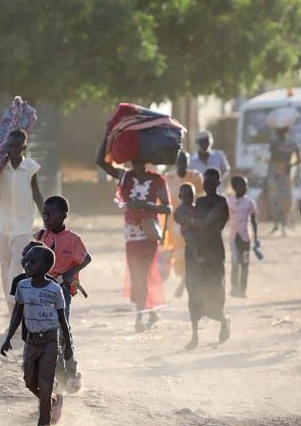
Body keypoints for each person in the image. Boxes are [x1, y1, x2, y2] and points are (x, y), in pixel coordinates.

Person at [95, 153, 171, 332]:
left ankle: (140, 315)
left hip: (149, 231)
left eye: (139, 160)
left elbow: (167, 207)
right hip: (131, 232)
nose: (135, 163)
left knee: (142, 271)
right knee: (137, 272)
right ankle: (150, 309)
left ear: (145, 161)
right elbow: (100, 162)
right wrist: (109, 133)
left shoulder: (157, 180)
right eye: (133, 160)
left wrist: (146, 205)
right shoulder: (125, 176)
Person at [1, 246, 73, 426]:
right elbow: (17, 312)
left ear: (47, 266)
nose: (27, 265)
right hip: (31, 341)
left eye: (33, 262)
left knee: (45, 382)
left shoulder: (55, 289)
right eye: (26, 261)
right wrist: (8, 337)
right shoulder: (22, 286)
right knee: (29, 380)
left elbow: (62, 319)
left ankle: (44, 425)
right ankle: (52, 400)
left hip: (50, 341)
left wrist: (68, 346)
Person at [35, 195, 91, 392]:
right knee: (47, 331)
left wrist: (68, 274)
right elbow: (30, 259)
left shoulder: (73, 239)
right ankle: (58, 374)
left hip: (63, 290)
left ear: (63, 215)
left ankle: (72, 370)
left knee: (62, 329)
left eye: (51, 214)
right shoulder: (40, 237)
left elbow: (86, 258)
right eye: (44, 214)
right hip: (42, 290)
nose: (46, 218)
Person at [176, 169, 230, 350]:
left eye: (212, 183)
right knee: (194, 293)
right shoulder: (198, 202)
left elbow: (206, 221)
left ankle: (223, 320)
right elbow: (180, 217)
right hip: (196, 253)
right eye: (206, 183)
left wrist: (188, 221)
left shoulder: (221, 203)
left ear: (218, 184)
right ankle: (195, 336)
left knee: (214, 291)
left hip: (214, 252)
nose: (208, 186)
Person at [0, 129, 43, 311]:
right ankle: (10, 306)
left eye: (17, 146)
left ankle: (15, 304)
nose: (13, 149)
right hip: (3, 224)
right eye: (10, 145)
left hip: (23, 225)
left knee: (17, 265)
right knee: (5, 267)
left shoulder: (30, 167)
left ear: (24, 147)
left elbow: (37, 193)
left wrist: (46, 218)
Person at [226, 175, 259, 298]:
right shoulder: (229, 201)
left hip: (245, 238)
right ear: (235, 187)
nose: (246, 188)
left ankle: (242, 289)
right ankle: (234, 287)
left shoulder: (249, 202)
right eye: (243, 185)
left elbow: (254, 221)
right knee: (235, 263)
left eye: (246, 185)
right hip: (234, 237)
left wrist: (256, 239)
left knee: (244, 264)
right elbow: (224, 218)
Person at [265, 126, 299, 236]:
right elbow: (271, 158)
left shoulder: (292, 143)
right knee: (274, 198)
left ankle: (284, 225)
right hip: (274, 173)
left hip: (285, 173)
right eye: (278, 131)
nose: (279, 133)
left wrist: (290, 165)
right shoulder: (274, 143)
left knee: (285, 198)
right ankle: (276, 225)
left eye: (281, 130)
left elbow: (298, 159)